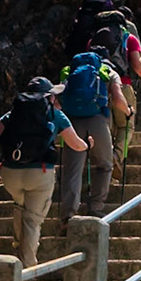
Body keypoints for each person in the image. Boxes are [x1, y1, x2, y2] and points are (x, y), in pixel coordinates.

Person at [0, 77, 89, 266]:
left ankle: (18, 247)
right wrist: (88, 144)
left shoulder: (13, 114)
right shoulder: (55, 114)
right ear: (49, 97)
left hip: (10, 173)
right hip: (39, 173)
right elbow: (75, 144)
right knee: (32, 220)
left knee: (20, 205)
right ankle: (28, 266)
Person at [56, 33, 131, 221]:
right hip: (98, 122)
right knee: (105, 165)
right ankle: (96, 207)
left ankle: (68, 216)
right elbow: (118, 98)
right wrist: (128, 111)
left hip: (71, 122)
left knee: (72, 169)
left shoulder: (69, 71)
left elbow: (57, 99)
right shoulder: (108, 72)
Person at [103, 6, 141, 163]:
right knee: (126, 126)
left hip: (99, 88)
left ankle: (103, 158)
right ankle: (116, 156)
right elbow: (136, 64)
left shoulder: (94, 39)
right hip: (123, 85)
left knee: (106, 127)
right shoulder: (129, 38)